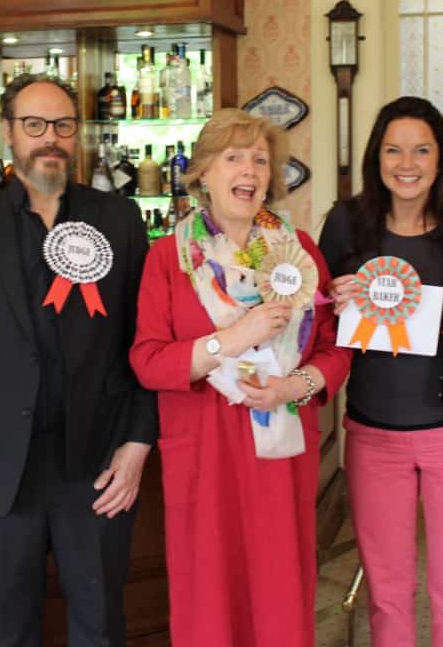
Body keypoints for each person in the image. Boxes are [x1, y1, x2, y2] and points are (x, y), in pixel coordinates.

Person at [0, 75, 157, 646]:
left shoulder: (119, 219)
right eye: (34, 125)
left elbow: (147, 339)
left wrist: (136, 445)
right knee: (7, 626)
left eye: (63, 125)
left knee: (100, 624)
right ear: (8, 134)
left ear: (77, 136)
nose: (49, 138)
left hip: (98, 464)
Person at [129, 108, 351, 647]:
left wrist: (291, 388)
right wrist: (234, 337)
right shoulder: (167, 257)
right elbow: (149, 361)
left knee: (279, 592)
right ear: (203, 172)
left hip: (282, 448)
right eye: (232, 158)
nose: (248, 170)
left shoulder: (299, 253)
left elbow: (333, 350)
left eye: (259, 159)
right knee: (209, 594)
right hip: (204, 452)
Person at [319, 96, 443, 647]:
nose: (408, 162)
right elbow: (315, 322)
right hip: (374, 436)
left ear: (441, 159)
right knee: (387, 594)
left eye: (422, 150)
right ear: (377, 158)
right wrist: (330, 296)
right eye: (394, 149)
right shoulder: (345, 224)